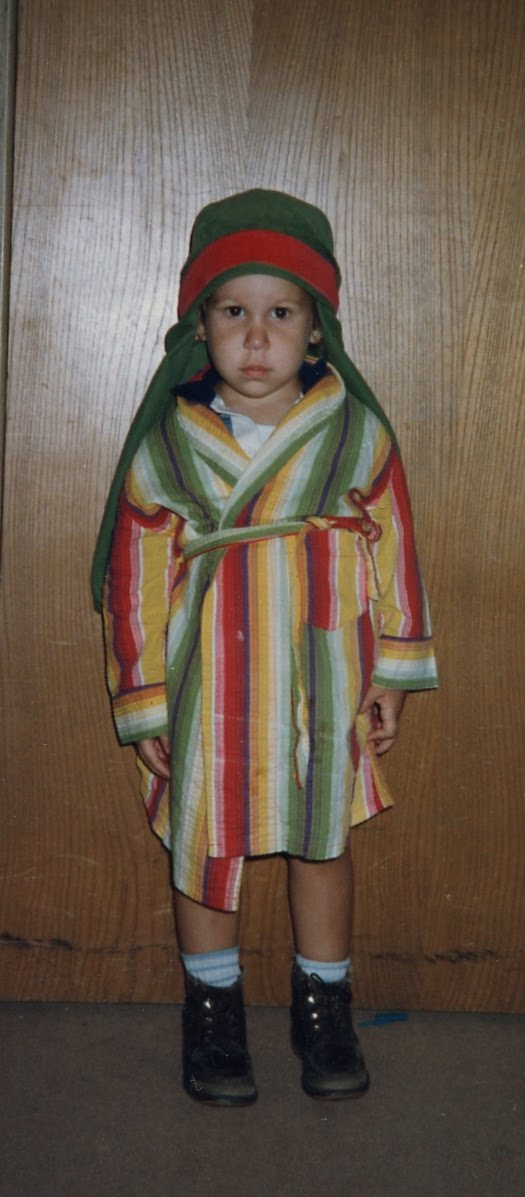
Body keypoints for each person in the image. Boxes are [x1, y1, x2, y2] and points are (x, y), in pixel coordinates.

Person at [92, 189, 438, 1106]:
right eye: (232, 311)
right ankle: (212, 1010)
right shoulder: (170, 443)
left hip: (322, 675)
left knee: (323, 840)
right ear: (199, 328)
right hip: (210, 682)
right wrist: (146, 701)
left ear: (316, 329)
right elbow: (133, 581)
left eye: (280, 313)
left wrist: (394, 673)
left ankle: (325, 1005)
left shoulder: (355, 432)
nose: (255, 337)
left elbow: (397, 552)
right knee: (205, 841)